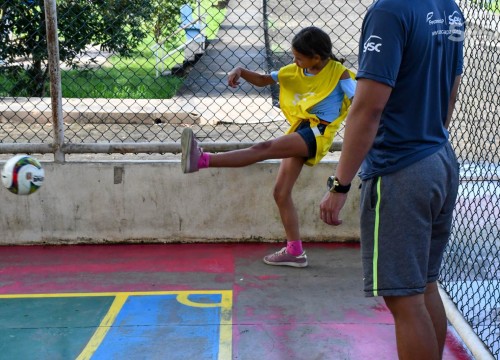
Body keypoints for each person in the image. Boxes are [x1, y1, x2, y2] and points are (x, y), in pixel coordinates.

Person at [319, 0, 464, 359]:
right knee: (424, 285)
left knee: (404, 298)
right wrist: (429, 136)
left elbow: (368, 107)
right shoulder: (448, 8)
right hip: (438, 157)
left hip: (401, 166)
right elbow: (452, 89)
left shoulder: (390, 10)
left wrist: (340, 184)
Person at [181, 26, 356, 268]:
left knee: (263, 148)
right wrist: (240, 71)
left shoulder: (340, 74)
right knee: (280, 193)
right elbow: (265, 80)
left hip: (319, 132)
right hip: (302, 129)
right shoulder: (297, 70)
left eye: (299, 57)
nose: (295, 61)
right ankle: (295, 252)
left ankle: (201, 160)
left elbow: (360, 102)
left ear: (317, 57)